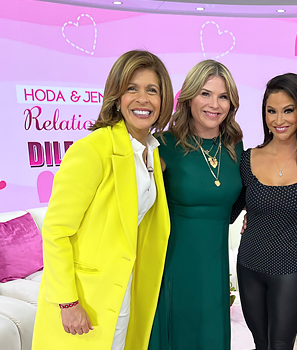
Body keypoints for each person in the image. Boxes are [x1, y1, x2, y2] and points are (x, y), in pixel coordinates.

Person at [32, 50, 174, 350]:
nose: (142, 99)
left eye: (152, 90)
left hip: (125, 290)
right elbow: (56, 231)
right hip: (87, 297)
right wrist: (67, 302)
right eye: (131, 89)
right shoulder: (92, 149)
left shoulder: (151, 151)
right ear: (116, 95)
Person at [148, 60, 243, 350]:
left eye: (223, 96)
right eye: (205, 94)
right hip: (174, 266)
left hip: (215, 268)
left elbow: (238, 201)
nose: (214, 104)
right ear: (188, 97)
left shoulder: (235, 146)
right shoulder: (162, 145)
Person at [234, 73, 297, 350]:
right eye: (271, 111)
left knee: (281, 345)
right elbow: (227, 209)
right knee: (260, 344)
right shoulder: (248, 158)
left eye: (288, 110)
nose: (279, 120)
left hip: (289, 270)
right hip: (248, 266)